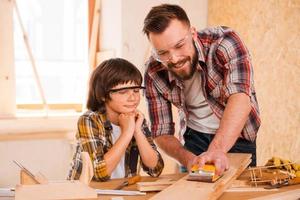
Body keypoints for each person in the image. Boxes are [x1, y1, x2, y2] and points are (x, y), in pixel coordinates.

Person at [142, 4, 260, 175]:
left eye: (179, 45)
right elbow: (161, 132)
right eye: (163, 53)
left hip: (238, 136)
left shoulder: (225, 42)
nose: (174, 58)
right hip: (193, 140)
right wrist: (188, 159)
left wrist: (216, 150)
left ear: (193, 33)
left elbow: (241, 99)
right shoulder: (153, 71)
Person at [68, 58, 164, 181]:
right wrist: (127, 133)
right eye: (123, 92)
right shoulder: (89, 120)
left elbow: (156, 169)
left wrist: (137, 131)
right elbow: (98, 174)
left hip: (120, 190)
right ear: (103, 95)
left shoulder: (137, 120)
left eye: (136, 90)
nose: (133, 97)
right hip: (86, 192)